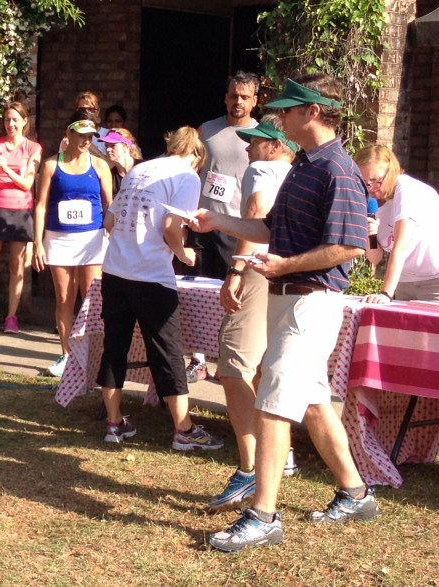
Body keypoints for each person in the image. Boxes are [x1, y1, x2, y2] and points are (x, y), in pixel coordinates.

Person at [193, 74, 377, 552]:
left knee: (272, 401)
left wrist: (286, 265)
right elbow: (269, 228)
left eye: (288, 110)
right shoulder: (304, 165)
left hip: (312, 302)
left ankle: (263, 515)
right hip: (288, 300)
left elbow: (350, 245)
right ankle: (355, 493)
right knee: (312, 401)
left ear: (312, 112)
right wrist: (218, 220)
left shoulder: (338, 169)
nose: (278, 119)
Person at [98, 126, 223, 451]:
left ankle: (114, 422)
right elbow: (171, 225)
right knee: (167, 352)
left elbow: (109, 222)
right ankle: (184, 429)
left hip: (115, 270)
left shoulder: (140, 169)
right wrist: (182, 253)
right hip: (151, 274)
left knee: (115, 348)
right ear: (196, 156)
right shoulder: (187, 176)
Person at [208, 115, 297, 512]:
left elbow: (258, 211)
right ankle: (280, 453)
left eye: (256, 141)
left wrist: (236, 268)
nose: (248, 148)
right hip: (288, 275)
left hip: (258, 270)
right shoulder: (298, 174)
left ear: (275, 146)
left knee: (232, 367)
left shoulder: (263, 169)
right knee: (265, 369)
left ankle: (250, 469)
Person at [186, 72, 260, 383]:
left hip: (237, 228)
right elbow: (191, 168)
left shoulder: (260, 136)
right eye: (233, 95)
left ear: (255, 101)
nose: (238, 101)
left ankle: (226, 361)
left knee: (231, 292)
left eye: (244, 97)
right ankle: (198, 360)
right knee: (200, 290)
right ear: (225, 97)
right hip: (204, 224)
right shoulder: (207, 130)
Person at [34, 110, 112, 377]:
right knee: (64, 299)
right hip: (58, 239)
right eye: (81, 135)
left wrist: (114, 237)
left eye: (90, 136)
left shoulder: (100, 166)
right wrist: (37, 242)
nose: (86, 141)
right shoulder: (50, 165)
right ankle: (67, 355)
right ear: (68, 133)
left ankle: (92, 356)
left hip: (92, 240)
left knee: (91, 299)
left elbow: (110, 205)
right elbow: (41, 205)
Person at [0, 102, 42, 334]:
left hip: (21, 211)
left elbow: (27, 184)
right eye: (7, 120)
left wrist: (8, 169)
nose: (10, 124)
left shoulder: (33, 148)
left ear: (24, 122)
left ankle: (11, 317)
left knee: (17, 267)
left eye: (15, 119)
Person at [354, 144, 439, 304]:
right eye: (364, 182)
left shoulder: (406, 188)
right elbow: (375, 259)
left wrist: (385, 294)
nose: (371, 188)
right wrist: (370, 235)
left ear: (391, 171)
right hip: (405, 282)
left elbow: (401, 246)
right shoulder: (370, 202)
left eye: (376, 180)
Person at [98, 129, 142, 196]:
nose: (108, 149)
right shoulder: (109, 176)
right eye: (106, 146)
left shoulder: (143, 168)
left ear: (126, 147)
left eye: (113, 145)